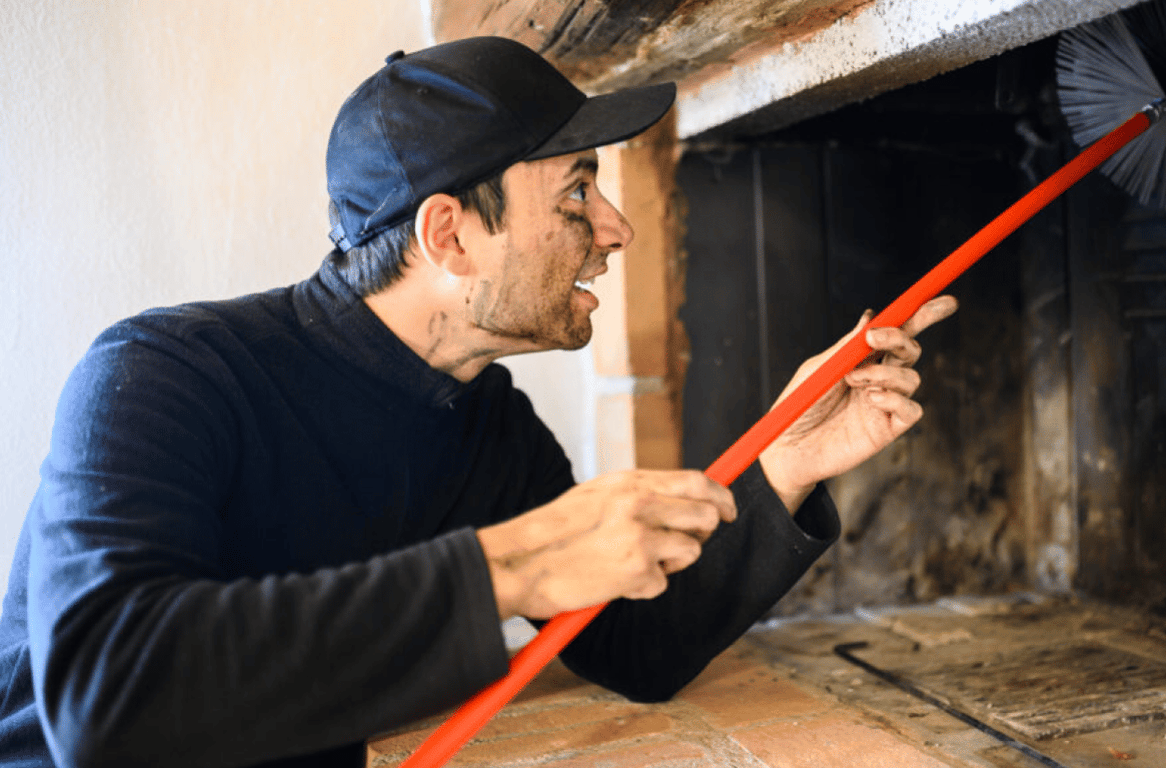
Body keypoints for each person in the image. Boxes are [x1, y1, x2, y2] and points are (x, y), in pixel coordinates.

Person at [0, 37, 957, 768]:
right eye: (577, 194)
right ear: (450, 236)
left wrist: (788, 460)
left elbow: (634, 645)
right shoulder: (163, 374)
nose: (615, 229)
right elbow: (106, 698)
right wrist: (517, 562)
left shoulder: (489, 423)